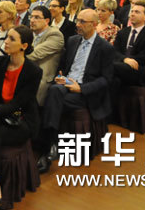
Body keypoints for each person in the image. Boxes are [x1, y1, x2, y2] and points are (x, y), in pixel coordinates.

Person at [0, 25, 42, 210]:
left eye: (12, 39)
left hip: (20, 120)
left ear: (24, 46)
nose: (6, 41)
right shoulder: (0, 62)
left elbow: (19, 103)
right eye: (7, 37)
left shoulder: (34, 71)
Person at [37, 9, 114, 174]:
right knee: (55, 90)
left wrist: (81, 88)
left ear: (94, 24)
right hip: (66, 84)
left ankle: (50, 145)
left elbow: (106, 79)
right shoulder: (72, 40)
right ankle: (52, 145)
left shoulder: (105, 47)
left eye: (82, 22)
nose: (77, 24)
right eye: (78, 20)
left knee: (53, 97)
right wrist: (60, 76)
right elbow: (63, 66)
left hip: (85, 91)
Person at [113, 3, 145, 95]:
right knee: (114, 81)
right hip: (121, 66)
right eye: (132, 11)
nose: (132, 14)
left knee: (110, 68)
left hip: (140, 69)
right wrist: (125, 59)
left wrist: (127, 61)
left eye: (137, 12)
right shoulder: (123, 32)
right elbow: (115, 51)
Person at [27, 6, 64, 105]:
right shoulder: (31, 33)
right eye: (31, 17)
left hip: (42, 79)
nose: (32, 20)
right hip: (28, 73)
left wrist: (15, 57)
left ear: (47, 21)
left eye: (37, 17)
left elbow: (34, 54)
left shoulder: (55, 35)